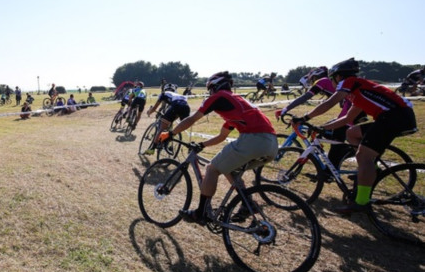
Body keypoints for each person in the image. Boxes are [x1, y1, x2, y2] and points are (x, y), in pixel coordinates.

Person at [292, 58, 417, 214]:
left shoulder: (349, 82)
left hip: (393, 117)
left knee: (364, 157)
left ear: (338, 76)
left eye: (333, 78)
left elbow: (329, 103)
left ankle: (361, 202)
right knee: (351, 133)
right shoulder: (359, 91)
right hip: (397, 116)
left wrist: (304, 118)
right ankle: (372, 169)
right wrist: (321, 128)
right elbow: (347, 120)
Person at [167, 71, 278, 224]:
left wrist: (170, 133)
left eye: (210, 89)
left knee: (212, 169)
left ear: (214, 86)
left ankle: (201, 213)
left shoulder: (219, 97)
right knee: (231, 169)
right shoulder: (237, 105)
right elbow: (222, 136)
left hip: (253, 138)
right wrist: (201, 145)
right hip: (271, 144)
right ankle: (248, 204)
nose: (209, 92)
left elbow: (192, 118)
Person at [278, 66, 363, 167]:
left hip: (351, 111)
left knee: (336, 137)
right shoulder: (332, 83)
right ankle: (347, 153)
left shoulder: (323, 81)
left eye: (313, 79)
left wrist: (286, 109)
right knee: (323, 132)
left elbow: (306, 97)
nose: (313, 82)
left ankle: (334, 167)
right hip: (357, 110)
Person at [144, 84, 190, 154]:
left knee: (162, 128)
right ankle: (169, 141)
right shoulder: (176, 95)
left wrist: (149, 112)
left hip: (176, 106)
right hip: (186, 107)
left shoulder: (163, 94)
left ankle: (152, 149)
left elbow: (154, 108)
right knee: (173, 125)